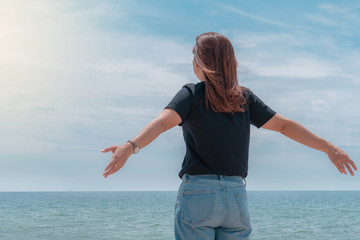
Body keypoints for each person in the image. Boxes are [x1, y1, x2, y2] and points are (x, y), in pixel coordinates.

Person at [100, 32, 357, 240]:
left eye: (194, 56)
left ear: (199, 62)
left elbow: (162, 123)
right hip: (236, 197)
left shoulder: (192, 93)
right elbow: (284, 126)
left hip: (198, 193)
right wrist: (329, 148)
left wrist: (130, 146)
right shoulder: (243, 97)